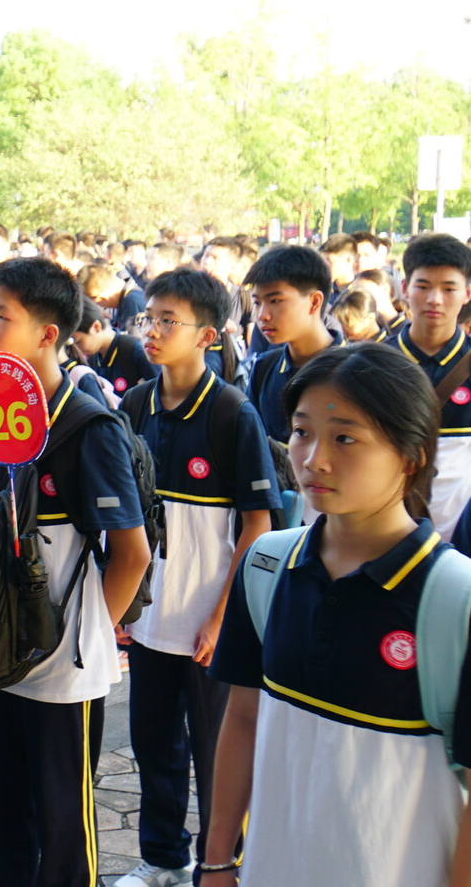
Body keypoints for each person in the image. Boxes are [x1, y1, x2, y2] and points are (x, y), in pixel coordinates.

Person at [205, 343, 471, 887]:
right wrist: (216, 862)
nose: (313, 459)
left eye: (346, 438)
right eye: (302, 432)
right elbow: (244, 718)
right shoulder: (266, 565)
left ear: (411, 454)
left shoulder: (454, 597)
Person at [0, 257, 151, 887]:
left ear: (49, 333)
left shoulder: (86, 427)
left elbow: (132, 552)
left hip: (58, 674)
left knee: (62, 833)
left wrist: (84, 638)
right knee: (2, 819)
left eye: (0, 317)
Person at [116, 269, 278, 887]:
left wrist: (221, 618)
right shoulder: (134, 406)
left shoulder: (233, 414)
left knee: (216, 755)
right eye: (148, 319)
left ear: (208, 335)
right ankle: (162, 858)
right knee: (154, 744)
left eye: (168, 322)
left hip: (212, 625)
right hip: (152, 620)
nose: (152, 332)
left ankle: (222, 863)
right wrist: (127, 604)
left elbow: (256, 528)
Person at [388, 233, 471, 527]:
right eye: (423, 286)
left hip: (462, 530)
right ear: (405, 288)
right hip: (386, 528)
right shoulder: (373, 363)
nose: (435, 299)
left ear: (467, 294)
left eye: (449, 288)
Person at [244, 245, 334, 447]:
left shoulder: (356, 369)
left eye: (275, 301)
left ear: (314, 301)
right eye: (257, 303)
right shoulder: (264, 368)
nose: (262, 316)